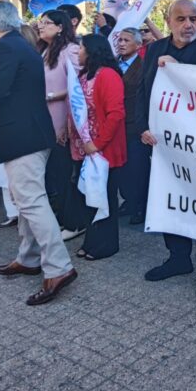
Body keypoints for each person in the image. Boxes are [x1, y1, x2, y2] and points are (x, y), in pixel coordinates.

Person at [0, 1, 78, 305]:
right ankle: (29, 258)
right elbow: (7, 85)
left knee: (30, 201)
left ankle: (58, 268)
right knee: (26, 199)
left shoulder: (5, 48)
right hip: (31, 134)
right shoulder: (23, 46)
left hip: (22, 137)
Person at [139, 0, 196, 298]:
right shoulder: (154, 49)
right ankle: (178, 259)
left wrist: (180, 69)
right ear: (168, 21)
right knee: (168, 201)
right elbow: (143, 92)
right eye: (181, 19)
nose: (188, 24)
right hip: (162, 146)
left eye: (193, 18)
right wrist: (142, 127)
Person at [70, 34, 126, 260]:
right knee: (89, 196)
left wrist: (98, 143)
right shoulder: (84, 75)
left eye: (81, 48)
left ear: (92, 51)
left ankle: (106, 244)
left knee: (105, 196)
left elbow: (115, 114)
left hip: (104, 148)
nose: (78, 52)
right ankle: (91, 241)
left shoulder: (109, 75)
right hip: (86, 146)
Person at [34, 10, 83, 240]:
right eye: (40, 23)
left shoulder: (71, 51)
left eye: (46, 23)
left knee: (64, 174)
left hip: (64, 122)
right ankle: (61, 216)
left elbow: (80, 86)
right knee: (53, 174)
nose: (41, 26)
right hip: (43, 122)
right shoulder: (43, 50)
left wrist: (54, 96)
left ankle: (73, 222)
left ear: (61, 27)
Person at [115, 28, 149, 224]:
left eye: (126, 40)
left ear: (138, 45)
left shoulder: (144, 66)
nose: (121, 43)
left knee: (138, 168)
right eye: (119, 39)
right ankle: (128, 201)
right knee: (122, 169)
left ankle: (140, 207)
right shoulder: (113, 64)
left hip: (135, 125)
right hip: (117, 125)